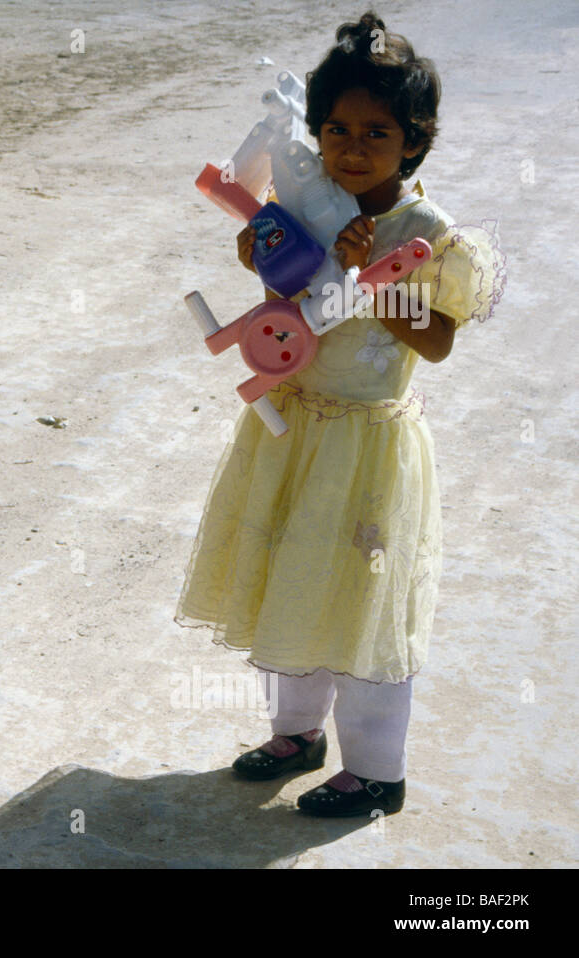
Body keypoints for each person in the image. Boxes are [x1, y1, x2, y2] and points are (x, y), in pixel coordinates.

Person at [175, 12, 505, 817]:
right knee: (289, 579)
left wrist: (374, 273)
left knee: (361, 603)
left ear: (415, 142)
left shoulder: (426, 231)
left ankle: (377, 770)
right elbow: (288, 318)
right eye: (334, 129)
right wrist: (264, 257)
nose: (351, 148)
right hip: (292, 433)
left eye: (376, 132)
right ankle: (297, 732)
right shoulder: (309, 204)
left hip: (366, 450)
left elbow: (436, 343)